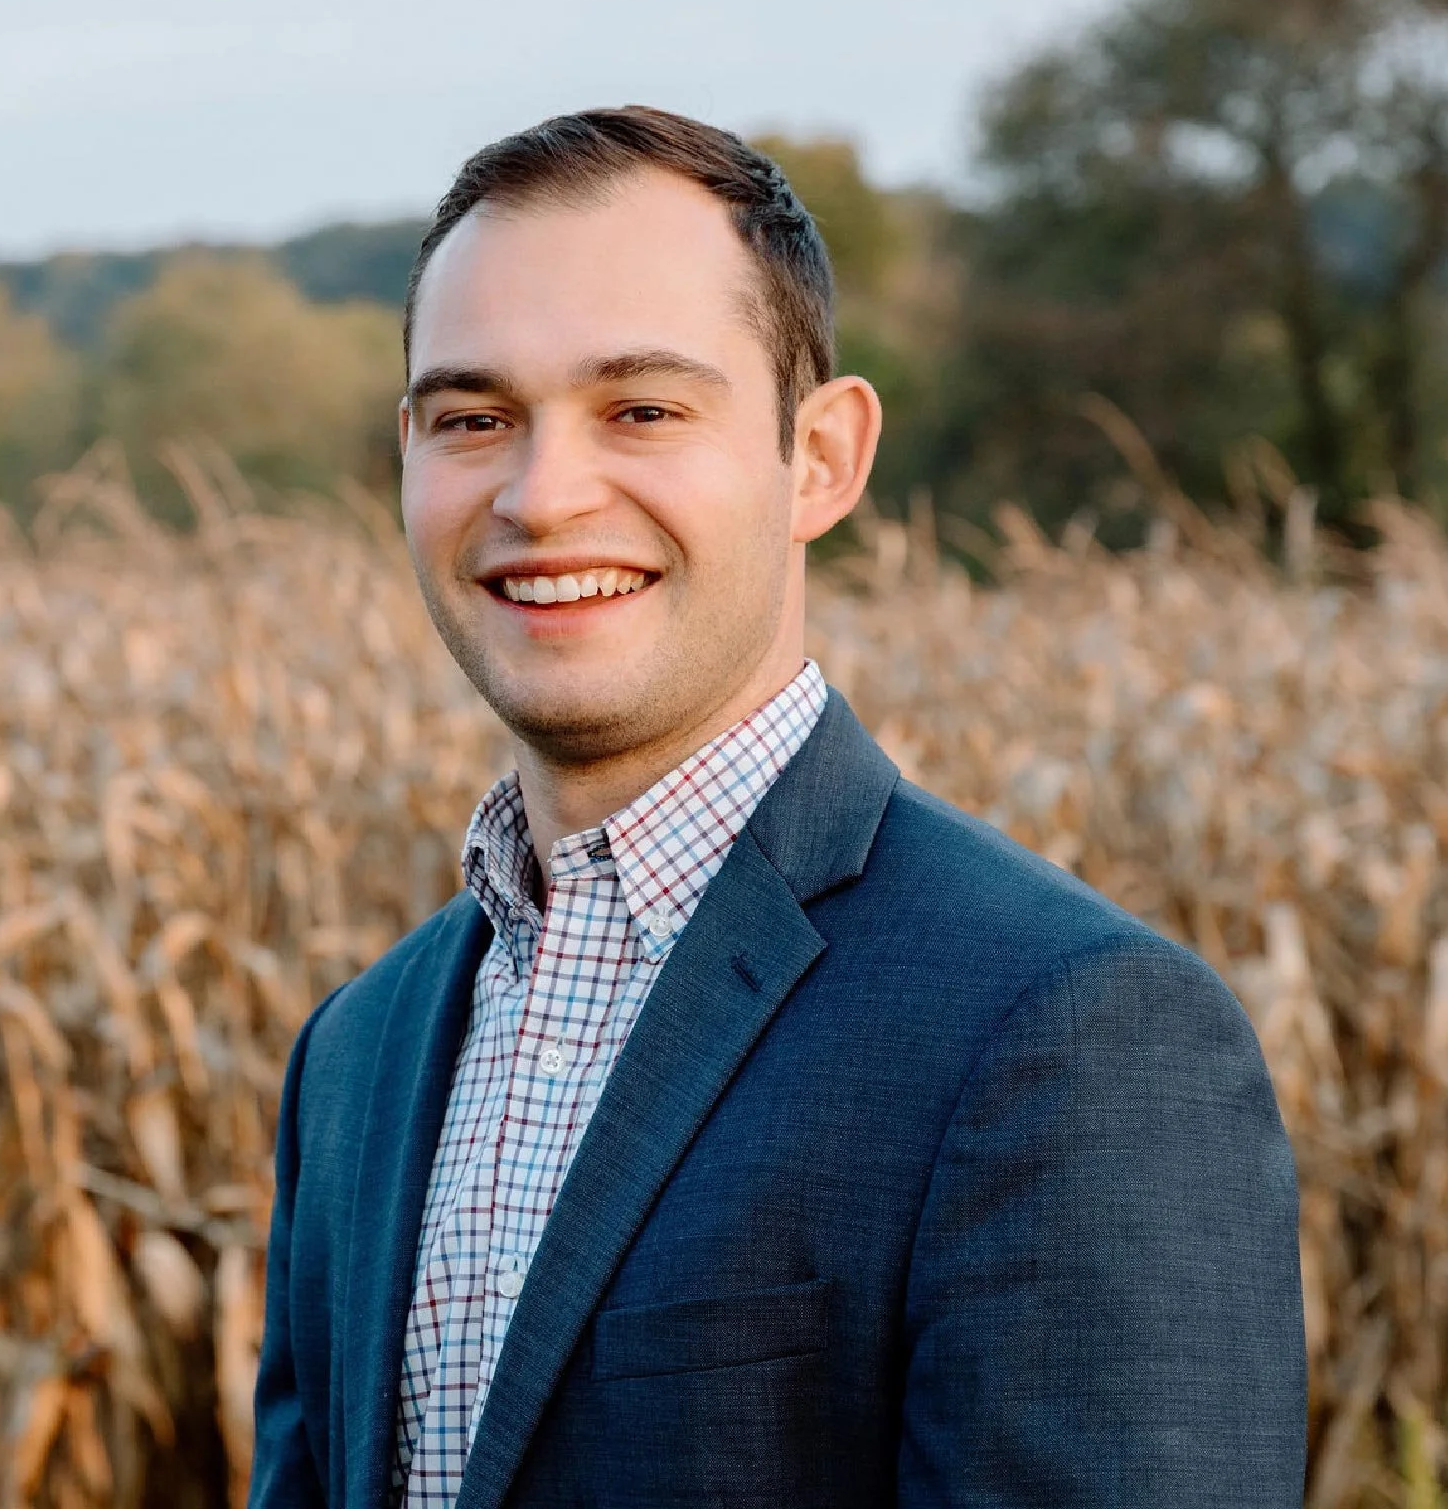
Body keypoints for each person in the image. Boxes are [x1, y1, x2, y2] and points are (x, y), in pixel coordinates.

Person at [249, 106, 1306, 1509]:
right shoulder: (356, 1055)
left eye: (641, 409)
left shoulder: (1070, 1032)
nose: (541, 496)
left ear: (822, 458)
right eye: (473, 419)